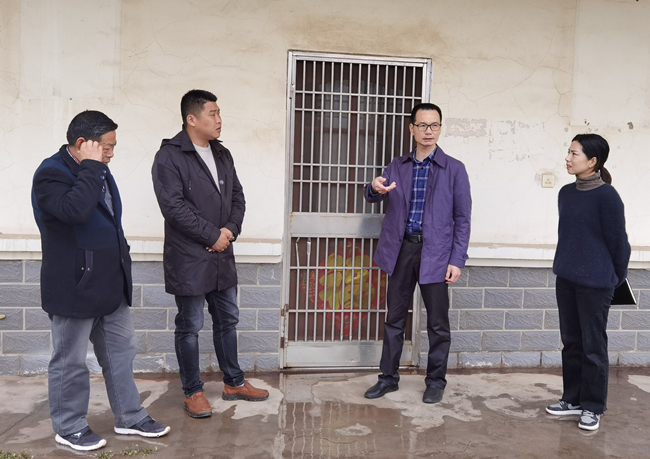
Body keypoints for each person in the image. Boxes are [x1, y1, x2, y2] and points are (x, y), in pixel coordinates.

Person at [31, 110, 170, 452]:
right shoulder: (51, 173)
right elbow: (74, 212)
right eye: (107, 147)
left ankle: (129, 416)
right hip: (75, 284)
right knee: (71, 361)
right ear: (83, 143)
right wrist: (92, 167)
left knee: (121, 352)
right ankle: (70, 426)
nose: (111, 154)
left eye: (113, 147)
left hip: (110, 282)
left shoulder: (99, 170)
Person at [152, 89, 268, 419]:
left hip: (221, 254)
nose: (219, 120)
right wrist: (211, 235)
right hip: (189, 257)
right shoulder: (170, 156)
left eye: (219, 113)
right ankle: (193, 392)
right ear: (192, 119)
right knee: (190, 325)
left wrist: (228, 231)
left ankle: (234, 382)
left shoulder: (221, 153)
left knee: (227, 320)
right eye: (212, 113)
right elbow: (173, 207)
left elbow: (238, 198)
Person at [363, 102, 472, 403]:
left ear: (440, 128)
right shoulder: (398, 165)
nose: (428, 131)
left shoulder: (454, 169)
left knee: (438, 323)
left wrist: (457, 260)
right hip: (401, 250)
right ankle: (388, 378)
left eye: (434, 125)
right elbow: (374, 194)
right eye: (422, 125)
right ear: (412, 129)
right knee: (394, 319)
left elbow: (462, 219)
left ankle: (436, 381)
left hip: (436, 254)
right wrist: (373, 187)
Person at [546, 134, 630, 431]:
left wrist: (615, 277)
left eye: (575, 154)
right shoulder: (566, 193)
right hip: (566, 279)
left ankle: (593, 406)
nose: (568, 158)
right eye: (568, 152)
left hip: (596, 284)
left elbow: (619, 243)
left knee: (593, 346)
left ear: (593, 161)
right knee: (571, 342)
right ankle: (572, 399)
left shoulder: (608, 196)